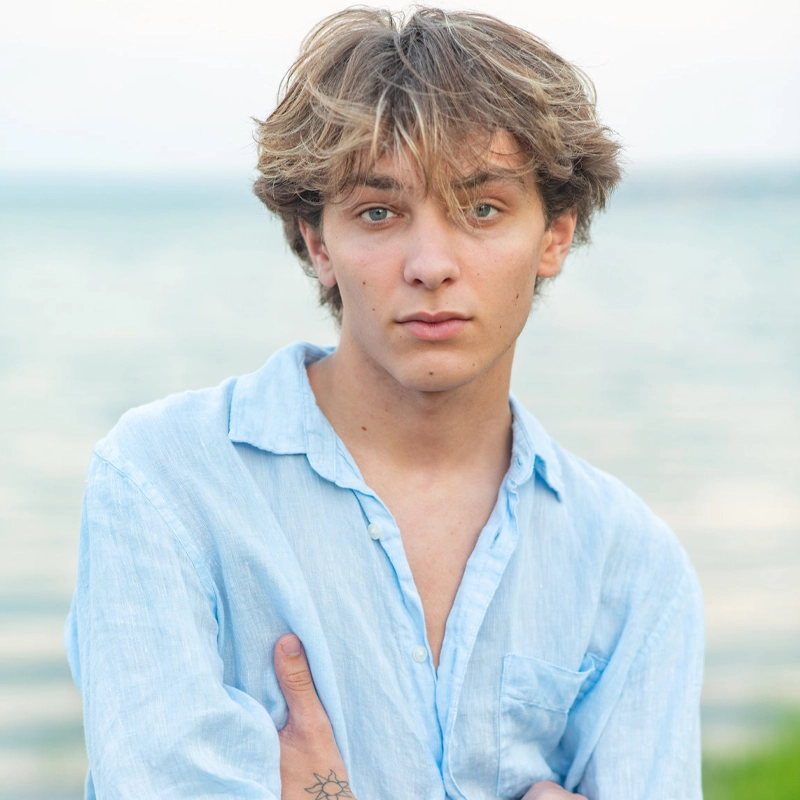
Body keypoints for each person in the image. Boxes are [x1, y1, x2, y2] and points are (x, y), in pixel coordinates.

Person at [64, 7, 704, 800]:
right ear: (318, 242)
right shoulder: (162, 482)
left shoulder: (632, 565)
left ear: (556, 235)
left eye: (483, 209)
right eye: (379, 212)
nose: (431, 264)